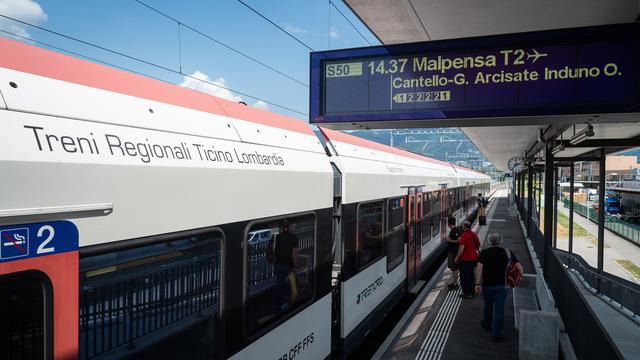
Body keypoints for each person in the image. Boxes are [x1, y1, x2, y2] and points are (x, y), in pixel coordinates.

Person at [474, 233, 524, 341]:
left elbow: (479, 270)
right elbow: (520, 268)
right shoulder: (507, 253)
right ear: (500, 241)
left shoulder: (484, 253)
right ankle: (497, 334)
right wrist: (517, 279)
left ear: (490, 241)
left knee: (488, 306)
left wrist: (477, 284)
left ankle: (487, 324)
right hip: (503, 286)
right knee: (500, 310)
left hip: (487, 286)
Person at [273, 221, 299, 312]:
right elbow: (294, 254)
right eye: (294, 226)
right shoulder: (294, 238)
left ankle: (277, 306)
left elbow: (275, 250)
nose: (295, 228)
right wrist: (296, 266)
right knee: (294, 288)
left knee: (279, 285)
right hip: (288, 268)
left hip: (278, 265)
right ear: (290, 227)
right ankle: (291, 305)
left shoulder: (279, 237)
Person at [455, 220, 481, 298]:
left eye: (463, 226)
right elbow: (478, 245)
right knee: (471, 275)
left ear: (464, 227)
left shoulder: (464, 235)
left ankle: (467, 293)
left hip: (465, 260)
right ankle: (472, 291)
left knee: (464, 277)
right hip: (474, 259)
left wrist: (457, 257)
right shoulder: (473, 234)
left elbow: (461, 247)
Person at [445, 216, 461, 290]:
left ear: (449, 223)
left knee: (455, 268)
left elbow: (459, 240)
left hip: (454, 252)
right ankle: (454, 283)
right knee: (453, 268)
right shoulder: (453, 229)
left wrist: (449, 240)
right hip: (452, 252)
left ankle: (455, 284)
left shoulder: (455, 230)